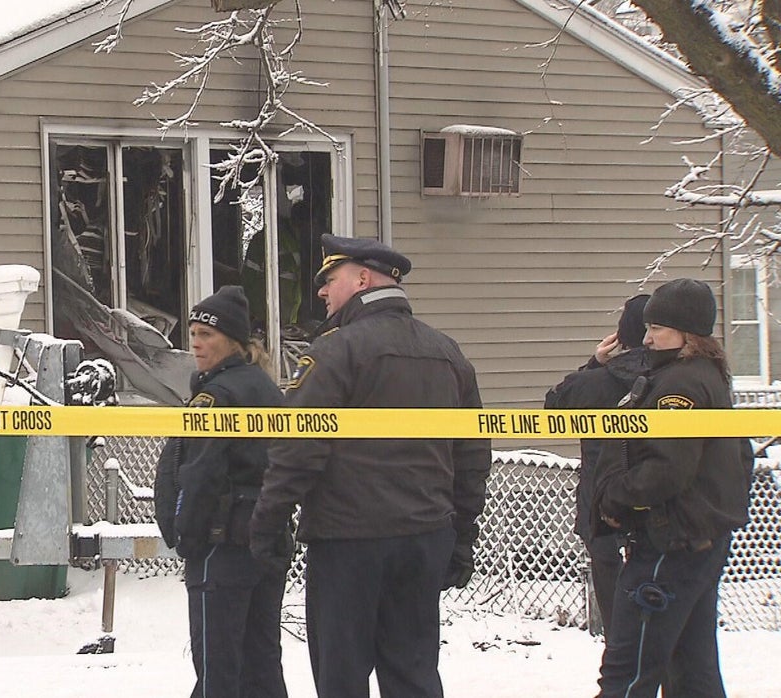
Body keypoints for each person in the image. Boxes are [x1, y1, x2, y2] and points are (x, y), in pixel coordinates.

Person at [249, 234, 491, 698]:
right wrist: (462, 534)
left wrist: (267, 524)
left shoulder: (335, 350)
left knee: (342, 675)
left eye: (330, 279)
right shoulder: (447, 353)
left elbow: (298, 446)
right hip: (424, 538)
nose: (322, 291)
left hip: (349, 541)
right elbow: (471, 455)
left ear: (362, 280)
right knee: (413, 674)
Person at [592, 278, 753, 698]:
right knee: (692, 671)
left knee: (628, 671)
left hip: (668, 542)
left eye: (657, 328)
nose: (647, 339)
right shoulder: (706, 377)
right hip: (697, 540)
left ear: (687, 333)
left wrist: (615, 498)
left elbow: (667, 469)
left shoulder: (679, 386)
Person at [153, 285, 289, 698]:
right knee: (262, 667)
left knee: (219, 672)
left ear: (233, 340)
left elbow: (200, 471)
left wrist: (188, 536)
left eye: (206, 334)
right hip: (266, 540)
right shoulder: (266, 388)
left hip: (222, 545)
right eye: (193, 333)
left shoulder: (218, 396)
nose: (196, 343)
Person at [544, 293, 650, 634]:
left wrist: (595, 364)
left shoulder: (593, 383)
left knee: (618, 626)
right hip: (659, 511)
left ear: (622, 335)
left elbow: (553, 407)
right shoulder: (676, 381)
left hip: (602, 511)